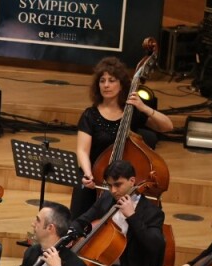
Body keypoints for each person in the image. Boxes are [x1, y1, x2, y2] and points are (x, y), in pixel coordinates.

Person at [70, 57, 173, 217]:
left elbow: (167, 126)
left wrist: (144, 107)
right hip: (94, 178)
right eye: (102, 81)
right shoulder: (90, 115)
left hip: (123, 183)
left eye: (112, 80)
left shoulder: (131, 112)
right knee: (80, 212)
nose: (106, 85)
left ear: (121, 84)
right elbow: (83, 151)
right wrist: (88, 173)